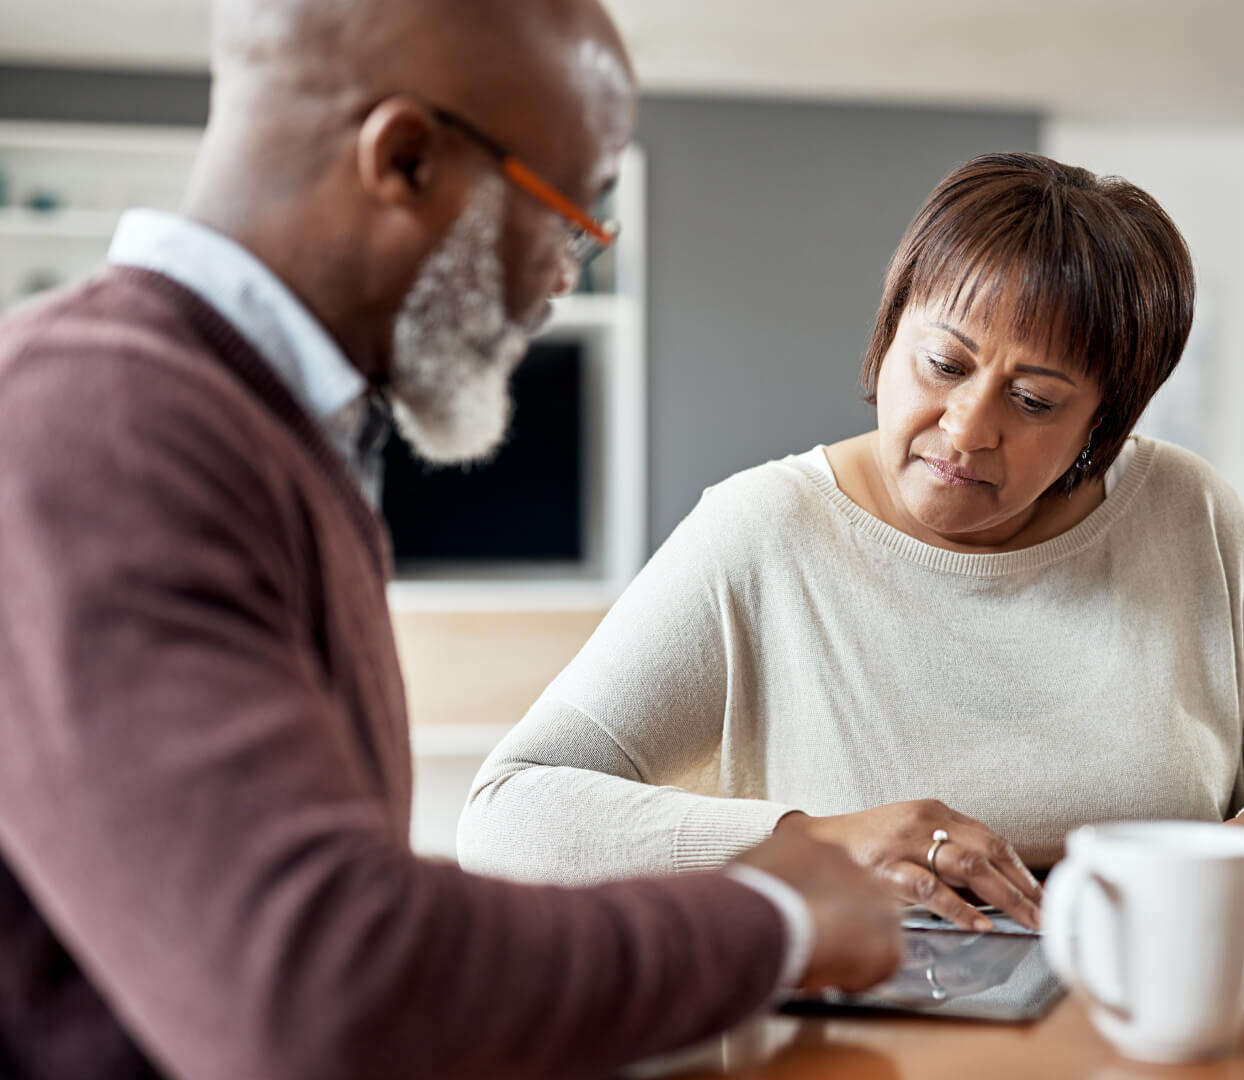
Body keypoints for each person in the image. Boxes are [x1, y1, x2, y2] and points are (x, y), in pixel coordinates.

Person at [0, 1, 904, 1078]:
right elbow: (318, 986)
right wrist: (775, 918)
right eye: (567, 216)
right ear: (408, 160)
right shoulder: (101, 425)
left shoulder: (255, 427)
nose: (562, 278)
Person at [459, 152, 1244, 939]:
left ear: (1104, 426)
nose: (965, 427)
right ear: (887, 336)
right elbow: (510, 810)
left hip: (1157, 1022)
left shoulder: (1186, 515)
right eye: (944, 364)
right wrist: (815, 839)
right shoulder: (762, 531)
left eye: (1034, 401)